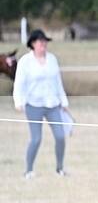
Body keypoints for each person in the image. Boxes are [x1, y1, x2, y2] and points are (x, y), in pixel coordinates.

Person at [13, 29, 70, 178]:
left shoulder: (52, 59)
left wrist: (63, 101)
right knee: (36, 139)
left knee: (60, 136)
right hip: (33, 104)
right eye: (40, 41)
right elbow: (19, 83)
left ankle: (60, 168)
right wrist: (18, 101)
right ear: (33, 43)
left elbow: (58, 82)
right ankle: (29, 170)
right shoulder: (26, 61)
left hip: (52, 104)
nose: (43, 44)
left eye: (45, 41)